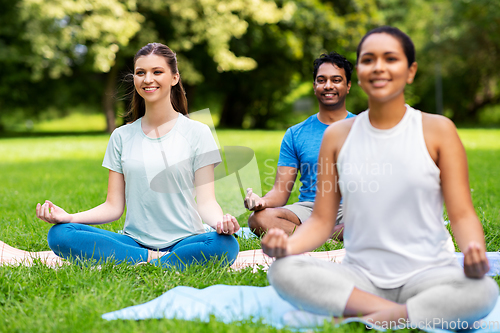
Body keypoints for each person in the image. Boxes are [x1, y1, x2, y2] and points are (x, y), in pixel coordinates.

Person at [261, 27, 498, 329]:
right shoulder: (337, 136)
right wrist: (286, 248)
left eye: (391, 58)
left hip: (428, 274)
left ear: (410, 71)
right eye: (369, 59)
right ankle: (401, 313)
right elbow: (321, 222)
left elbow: (462, 213)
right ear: (359, 73)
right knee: (283, 271)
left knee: (483, 292)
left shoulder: (438, 130)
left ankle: (370, 316)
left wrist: (473, 251)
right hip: (360, 277)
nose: (379, 67)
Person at [36, 43, 240, 269]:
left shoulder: (198, 133)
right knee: (60, 234)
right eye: (140, 73)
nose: (147, 79)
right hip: (134, 241)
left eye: (157, 72)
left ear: (174, 78)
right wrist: (70, 217)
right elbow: (113, 207)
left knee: (225, 245)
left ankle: (144, 261)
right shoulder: (121, 136)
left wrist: (221, 222)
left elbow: (206, 202)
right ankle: (158, 261)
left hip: (187, 240)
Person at [245, 51, 355, 239]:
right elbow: (280, 192)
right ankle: (330, 237)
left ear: (348, 85)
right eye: (322, 80)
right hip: (311, 209)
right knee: (259, 219)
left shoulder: (365, 128)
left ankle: (315, 237)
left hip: (354, 208)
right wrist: (260, 201)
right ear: (314, 87)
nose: (328, 86)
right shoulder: (296, 134)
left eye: (336, 80)